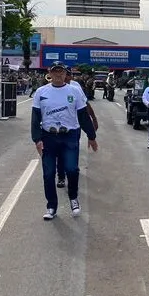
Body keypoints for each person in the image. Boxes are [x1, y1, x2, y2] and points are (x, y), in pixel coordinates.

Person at [31, 61, 98, 220]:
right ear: (50, 73)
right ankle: (51, 207)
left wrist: (91, 136)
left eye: (61, 72)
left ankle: (73, 198)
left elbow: (82, 116)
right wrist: (37, 139)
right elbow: (35, 118)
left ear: (65, 74)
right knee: (48, 174)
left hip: (69, 136)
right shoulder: (41, 92)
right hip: (49, 136)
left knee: (71, 169)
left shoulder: (74, 91)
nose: (58, 75)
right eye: (55, 72)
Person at [57, 66, 98, 188]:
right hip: (59, 125)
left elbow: (85, 104)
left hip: (75, 125)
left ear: (69, 76)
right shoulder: (52, 88)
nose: (64, 77)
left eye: (66, 74)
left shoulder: (75, 87)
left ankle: (73, 168)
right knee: (60, 152)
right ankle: (61, 176)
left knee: (73, 148)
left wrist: (93, 118)